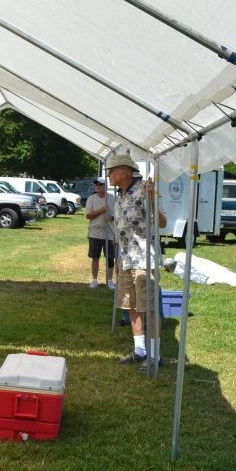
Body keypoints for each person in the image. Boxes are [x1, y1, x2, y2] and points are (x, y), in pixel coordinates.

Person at [106, 152, 166, 370]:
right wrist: (118, 258)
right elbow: (120, 230)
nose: (108, 175)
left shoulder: (144, 190)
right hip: (126, 260)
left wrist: (152, 200)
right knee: (131, 306)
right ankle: (140, 350)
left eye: (111, 171)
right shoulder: (120, 195)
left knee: (149, 307)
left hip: (144, 260)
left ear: (124, 171)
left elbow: (162, 222)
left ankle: (155, 355)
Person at [84, 177, 115, 289]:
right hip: (95, 232)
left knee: (110, 258)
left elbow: (117, 214)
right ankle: (94, 280)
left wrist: (111, 218)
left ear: (105, 186)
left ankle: (110, 280)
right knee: (95, 257)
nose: (97, 186)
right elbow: (88, 215)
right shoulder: (91, 199)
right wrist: (101, 210)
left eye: (100, 185)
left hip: (109, 232)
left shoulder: (112, 198)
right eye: (96, 184)